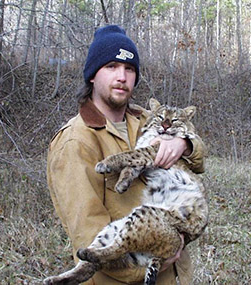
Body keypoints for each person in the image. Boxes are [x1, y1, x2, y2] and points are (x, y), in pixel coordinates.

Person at [47, 25, 206, 285]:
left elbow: (199, 160)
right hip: (127, 277)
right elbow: (88, 235)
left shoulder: (144, 118)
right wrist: (164, 255)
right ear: (92, 75)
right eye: (111, 66)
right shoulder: (75, 141)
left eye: (129, 69)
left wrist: (184, 144)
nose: (122, 76)